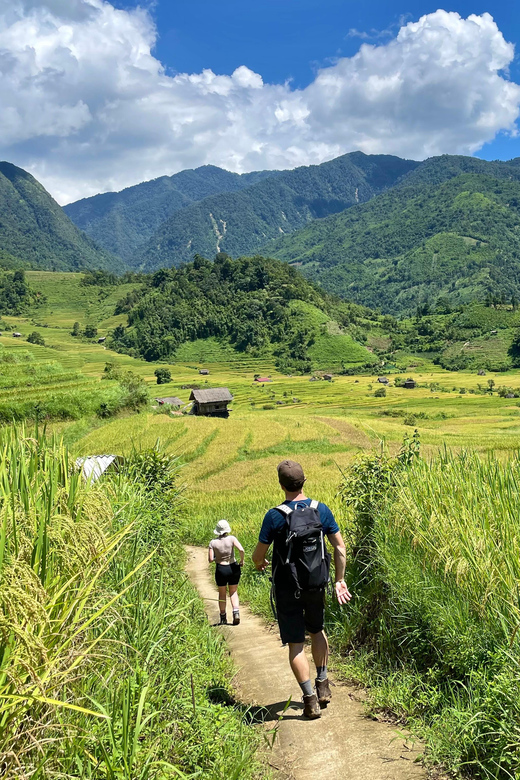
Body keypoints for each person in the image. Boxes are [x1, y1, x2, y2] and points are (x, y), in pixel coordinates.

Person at [252, 460, 351, 719]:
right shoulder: (321, 510)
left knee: (296, 644)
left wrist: (260, 562)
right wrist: (339, 579)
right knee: (317, 630)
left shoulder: (274, 516)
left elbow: (258, 555)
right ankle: (323, 684)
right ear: (304, 481)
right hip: (316, 584)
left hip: (287, 588)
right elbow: (340, 549)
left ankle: (309, 701)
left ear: (281, 484)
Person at [208, 519, 245, 625]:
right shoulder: (232, 538)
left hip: (221, 569)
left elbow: (210, 559)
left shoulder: (213, 543)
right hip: (233, 567)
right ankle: (236, 612)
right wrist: (242, 561)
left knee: (222, 593)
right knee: (233, 592)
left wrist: (217, 557)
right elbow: (241, 550)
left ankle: (223, 617)